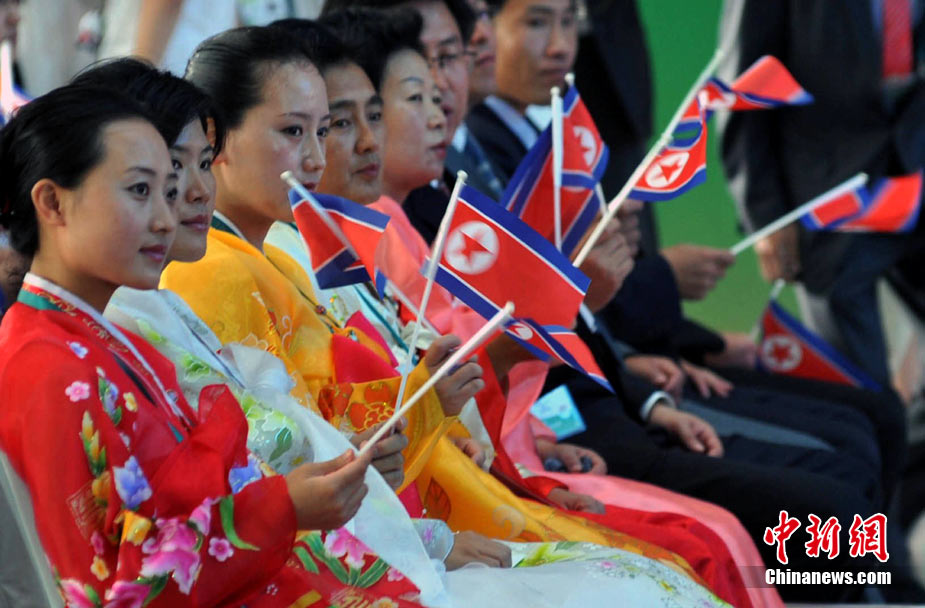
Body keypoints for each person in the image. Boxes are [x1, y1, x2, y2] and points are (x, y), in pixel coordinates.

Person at [96, 56, 732, 608]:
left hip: (394, 516)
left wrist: (447, 414)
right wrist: (428, 494)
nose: (328, 153)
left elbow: (327, 439)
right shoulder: (204, 280)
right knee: (672, 565)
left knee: (678, 558)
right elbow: (272, 477)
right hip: (342, 549)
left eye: (332, 127)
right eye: (150, 183)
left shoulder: (285, 254)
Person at [0, 82, 438, 607]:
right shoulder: (46, 366)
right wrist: (281, 508)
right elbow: (112, 589)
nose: (165, 218)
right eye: (139, 190)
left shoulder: (94, 338)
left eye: (168, 191)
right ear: (52, 202)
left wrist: (289, 501)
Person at [716, 0, 925, 387]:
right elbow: (745, 88)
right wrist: (765, 217)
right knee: (861, 395)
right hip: (827, 195)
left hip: (915, 159)